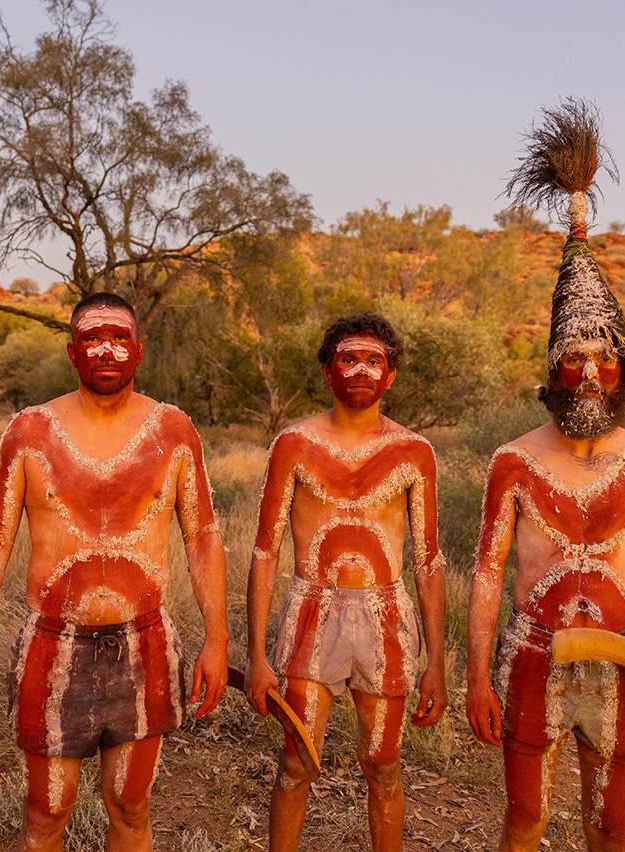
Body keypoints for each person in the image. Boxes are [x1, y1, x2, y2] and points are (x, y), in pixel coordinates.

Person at [465, 100, 625, 852]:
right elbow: (487, 573)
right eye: (573, 358)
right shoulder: (515, 462)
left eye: (604, 359)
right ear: (552, 370)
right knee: (525, 819)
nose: (589, 372)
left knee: (613, 822)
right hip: (532, 654)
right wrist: (473, 677)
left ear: (624, 370)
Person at [0, 292, 228, 852]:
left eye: (119, 338)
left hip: (143, 642)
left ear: (138, 352)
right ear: (73, 352)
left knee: (130, 804)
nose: (107, 349)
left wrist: (216, 641)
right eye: (93, 339)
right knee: (46, 811)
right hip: (54, 646)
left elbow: (202, 537)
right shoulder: (30, 430)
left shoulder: (173, 431)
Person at [245, 312, 448, 852]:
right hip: (312, 610)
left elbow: (428, 561)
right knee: (295, 763)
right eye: (349, 358)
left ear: (390, 376)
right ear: (329, 371)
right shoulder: (294, 444)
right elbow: (265, 552)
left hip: (386, 618)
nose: (361, 369)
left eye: (374, 361)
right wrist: (258, 656)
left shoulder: (413, 452)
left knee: (383, 766)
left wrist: (436, 662)